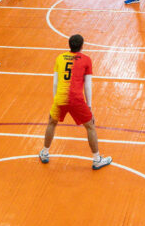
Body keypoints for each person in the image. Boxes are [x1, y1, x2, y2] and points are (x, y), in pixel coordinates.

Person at [38, 34, 112, 170]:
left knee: (52, 123)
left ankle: (44, 152)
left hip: (60, 98)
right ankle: (97, 159)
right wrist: (89, 106)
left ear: (69, 45)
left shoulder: (60, 58)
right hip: (76, 99)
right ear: (82, 46)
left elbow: (55, 83)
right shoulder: (86, 60)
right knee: (90, 126)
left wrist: (56, 101)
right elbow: (87, 86)